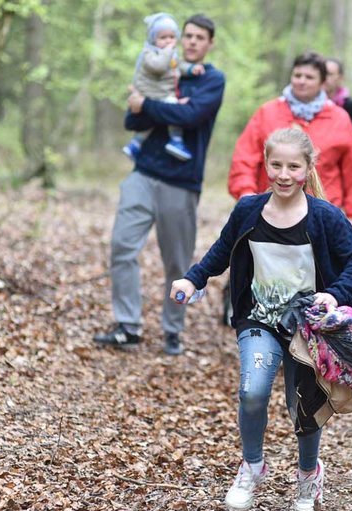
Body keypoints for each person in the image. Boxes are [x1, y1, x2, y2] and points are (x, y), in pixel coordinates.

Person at [170, 127, 352, 511]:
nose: (283, 174)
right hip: (258, 320)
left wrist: (335, 294)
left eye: (293, 166)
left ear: (308, 168)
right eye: (275, 164)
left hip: (308, 328)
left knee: (304, 404)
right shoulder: (249, 209)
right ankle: (252, 465)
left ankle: (309, 474)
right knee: (252, 392)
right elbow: (222, 250)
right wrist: (192, 278)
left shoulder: (324, 217)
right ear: (265, 164)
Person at [93, 14, 224, 355]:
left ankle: (172, 330)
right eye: (188, 36)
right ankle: (127, 326)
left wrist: (149, 105)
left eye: (199, 37)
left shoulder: (212, 80)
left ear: (210, 43)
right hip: (143, 173)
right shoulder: (160, 66)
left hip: (181, 182)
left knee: (177, 262)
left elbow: (192, 116)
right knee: (122, 247)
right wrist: (155, 106)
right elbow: (131, 118)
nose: (192, 41)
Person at [229, 51, 352, 227]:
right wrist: (246, 195)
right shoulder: (267, 112)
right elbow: (244, 158)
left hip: (323, 217)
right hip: (269, 213)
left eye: (309, 77)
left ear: (322, 82)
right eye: (297, 75)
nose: (301, 81)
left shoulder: (340, 119)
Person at [121, 13, 203, 162]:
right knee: (172, 107)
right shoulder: (149, 53)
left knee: (150, 124)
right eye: (163, 38)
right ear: (153, 39)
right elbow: (158, 66)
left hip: (160, 93)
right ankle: (176, 141)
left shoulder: (172, 54)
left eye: (171, 37)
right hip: (151, 92)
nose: (168, 41)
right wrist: (167, 51)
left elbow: (178, 66)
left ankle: (135, 144)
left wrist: (191, 69)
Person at [324, 58, 352, 154]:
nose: (325, 78)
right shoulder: (310, 103)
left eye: (330, 74)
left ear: (340, 78)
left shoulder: (349, 105)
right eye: (323, 73)